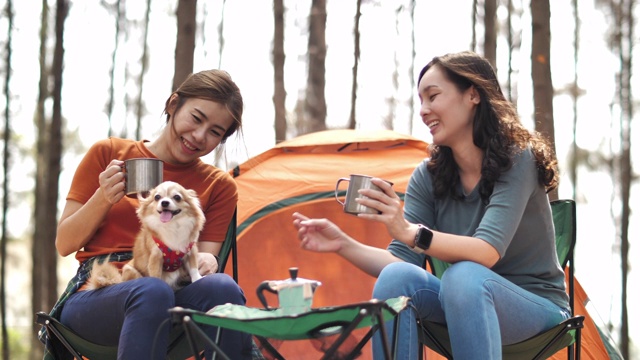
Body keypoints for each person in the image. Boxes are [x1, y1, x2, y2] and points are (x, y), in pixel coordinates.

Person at [292, 51, 571, 359]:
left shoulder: (518, 158)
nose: (423, 111)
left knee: (463, 276)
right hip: (463, 298)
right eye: (420, 100)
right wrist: (342, 243)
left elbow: (487, 252)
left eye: (433, 96)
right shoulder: (429, 175)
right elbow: (400, 262)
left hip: (536, 308)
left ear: (473, 95)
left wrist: (411, 232)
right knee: (396, 279)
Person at [42, 69, 253, 359]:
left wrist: (208, 260)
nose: (199, 136)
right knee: (151, 291)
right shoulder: (110, 154)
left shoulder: (219, 186)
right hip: (98, 295)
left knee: (223, 288)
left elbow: (203, 260)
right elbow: (64, 243)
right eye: (196, 118)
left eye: (215, 132)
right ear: (173, 104)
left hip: (171, 290)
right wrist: (103, 197)